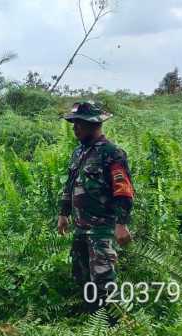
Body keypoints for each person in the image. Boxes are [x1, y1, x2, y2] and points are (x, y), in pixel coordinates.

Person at [57, 101, 134, 311]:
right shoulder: (79, 153)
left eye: (79, 124)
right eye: (74, 123)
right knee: (81, 273)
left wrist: (122, 224)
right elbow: (70, 184)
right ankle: (92, 318)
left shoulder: (112, 153)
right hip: (81, 227)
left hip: (101, 229)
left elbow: (123, 191)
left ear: (93, 125)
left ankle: (112, 323)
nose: (75, 128)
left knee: (103, 278)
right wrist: (64, 213)